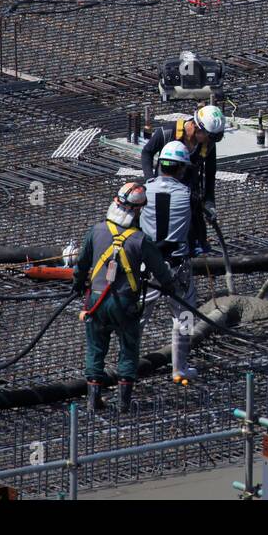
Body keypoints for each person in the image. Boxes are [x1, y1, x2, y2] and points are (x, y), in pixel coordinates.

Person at [72, 182, 176, 410]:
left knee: (96, 347)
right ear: (139, 210)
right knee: (128, 348)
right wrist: (171, 287)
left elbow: (81, 264)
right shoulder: (141, 240)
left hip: (96, 301)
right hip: (124, 303)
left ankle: (92, 400)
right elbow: (161, 272)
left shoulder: (97, 230)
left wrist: (78, 285)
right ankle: (123, 403)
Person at [140, 141, 200, 381]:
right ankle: (179, 368)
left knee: (138, 317)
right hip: (177, 268)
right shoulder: (189, 196)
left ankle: (126, 367)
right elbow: (195, 232)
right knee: (184, 316)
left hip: (147, 268)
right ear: (181, 169)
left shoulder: (142, 192)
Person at [141, 104, 225, 254]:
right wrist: (149, 181)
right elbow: (147, 152)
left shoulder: (208, 144)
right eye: (209, 136)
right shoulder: (167, 133)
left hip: (188, 192)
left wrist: (209, 201)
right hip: (162, 188)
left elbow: (210, 173)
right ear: (196, 126)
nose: (209, 141)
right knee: (159, 224)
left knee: (193, 230)